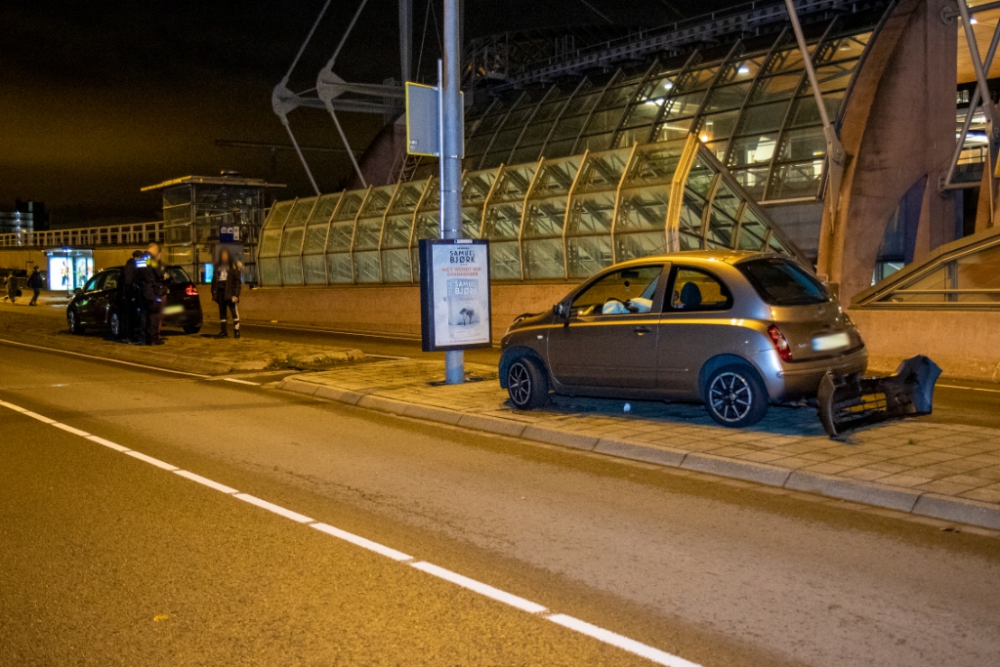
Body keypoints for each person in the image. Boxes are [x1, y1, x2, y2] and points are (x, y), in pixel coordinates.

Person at [136, 243, 167, 345]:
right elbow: (158, 274)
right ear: (154, 249)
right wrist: (164, 276)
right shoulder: (152, 259)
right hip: (152, 291)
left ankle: (143, 338)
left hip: (142, 291)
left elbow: (138, 275)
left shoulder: (141, 259)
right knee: (153, 315)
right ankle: (153, 339)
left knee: (144, 315)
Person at [211, 249, 242, 339]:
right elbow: (214, 281)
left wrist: (236, 295)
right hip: (220, 290)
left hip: (230, 291)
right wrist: (214, 294)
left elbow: (237, 282)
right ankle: (224, 331)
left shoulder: (233, 266)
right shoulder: (218, 267)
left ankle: (236, 331)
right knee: (222, 312)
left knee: (234, 312)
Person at [120, 250, 144, 343]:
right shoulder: (131, 266)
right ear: (136, 257)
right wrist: (132, 294)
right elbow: (129, 281)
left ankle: (132, 336)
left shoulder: (131, 266)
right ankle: (131, 336)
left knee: (132, 316)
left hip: (132, 294)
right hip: (131, 294)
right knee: (131, 316)